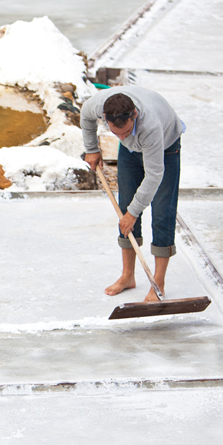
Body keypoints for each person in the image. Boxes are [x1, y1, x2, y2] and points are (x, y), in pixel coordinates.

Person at [81, 85, 186, 303]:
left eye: (126, 132)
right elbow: (84, 114)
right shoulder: (100, 105)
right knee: (124, 208)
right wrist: (92, 148)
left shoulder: (151, 126)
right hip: (131, 152)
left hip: (165, 148)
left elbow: (154, 175)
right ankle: (127, 276)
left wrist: (134, 212)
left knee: (162, 213)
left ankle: (158, 283)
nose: (120, 136)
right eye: (115, 133)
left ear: (134, 115)